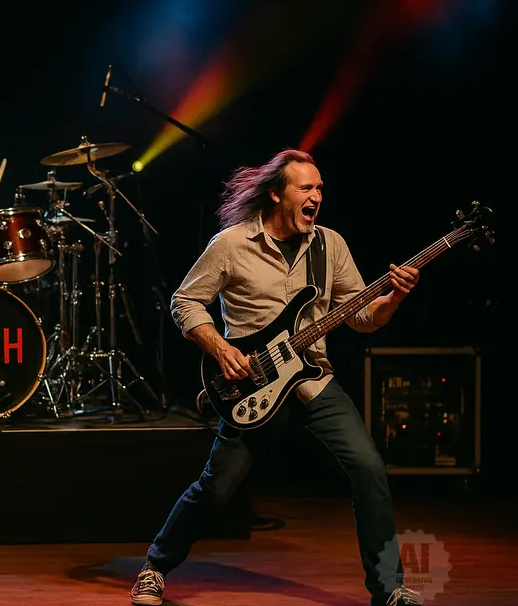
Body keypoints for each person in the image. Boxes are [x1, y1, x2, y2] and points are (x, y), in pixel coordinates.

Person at [130, 149, 423, 606]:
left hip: (313, 383)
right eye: (305, 188)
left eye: (320, 188)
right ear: (275, 193)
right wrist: (222, 349)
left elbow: (362, 316)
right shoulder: (231, 244)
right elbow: (185, 302)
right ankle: (154, 567)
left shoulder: (331, 245)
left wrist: (393, 300)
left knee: (369, 469)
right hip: (252, 387)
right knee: (216, 488)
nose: (316, 196)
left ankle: (389, 589)